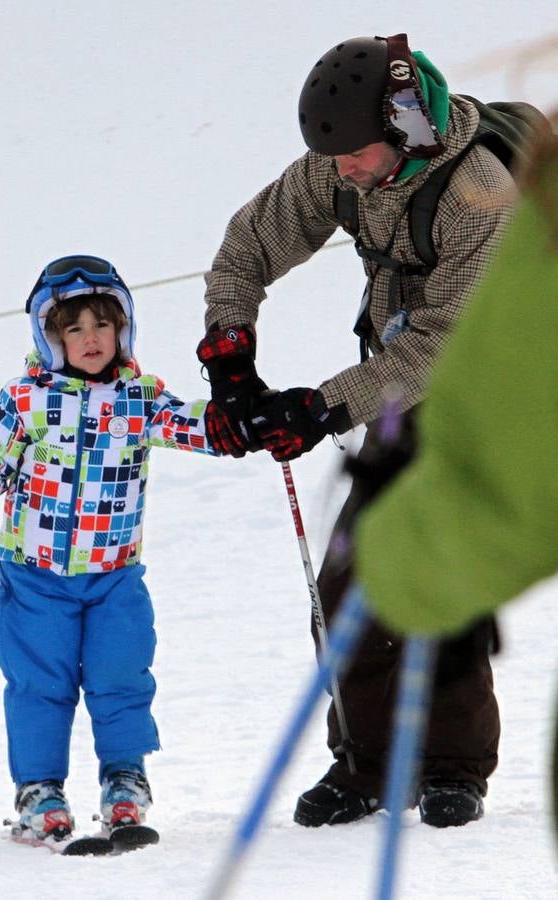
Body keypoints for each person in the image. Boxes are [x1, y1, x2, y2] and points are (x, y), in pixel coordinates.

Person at [196, 33, 522, 828]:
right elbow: (245, 250)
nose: (336, 171)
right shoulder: (341, 163)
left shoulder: (480, 192)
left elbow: (444, 343)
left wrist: (322, 406)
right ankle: (369, 765)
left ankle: (451, 768)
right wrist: (230, 360)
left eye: (350, 156)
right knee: (351, 582)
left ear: (407, 129)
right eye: (328, 157)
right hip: (407, 390)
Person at [0, 254, 224, 844]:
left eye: (102, 324)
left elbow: (192, 426)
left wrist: (240, 423)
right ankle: (39, 789)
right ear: (50, 336)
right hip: (35, 576)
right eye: (73, 327)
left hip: (115, 575)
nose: (91, 339)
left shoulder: (140, 396)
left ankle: (125, 779)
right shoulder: (25, 398)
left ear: (123, 329)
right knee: (40, 682)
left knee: (121, 674)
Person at [355, 127, 558, 836]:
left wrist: (398, 524)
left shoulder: (524, 203)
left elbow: (494, 497)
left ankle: (450, 764)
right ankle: (364, 761)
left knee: (396, 594)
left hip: (425, 426)